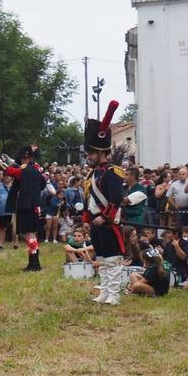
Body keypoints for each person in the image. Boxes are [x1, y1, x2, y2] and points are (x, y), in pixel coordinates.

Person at [82, 100, 128, 305]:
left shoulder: (112, 172)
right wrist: (87, 219)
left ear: (101, 152)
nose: (88, 157)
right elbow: (88, 199)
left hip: (108, 223)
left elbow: (116, 198)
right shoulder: (93, 174)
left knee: (112, 260)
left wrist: (104, 217)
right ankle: (104, 292)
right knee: (101, 259)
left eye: (91, 153)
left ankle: (114, 295)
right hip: (96, 222)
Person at [5, 145, 45, 270]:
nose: (22, 160)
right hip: (34, 206)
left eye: (23, 158)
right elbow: (42, 184)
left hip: (26, 206)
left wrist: (0, 161)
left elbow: (10, 171)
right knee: (32, 235)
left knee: (29, 236)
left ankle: (34, 264)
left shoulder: (24, 170)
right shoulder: (36, 170)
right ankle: (34, 263)